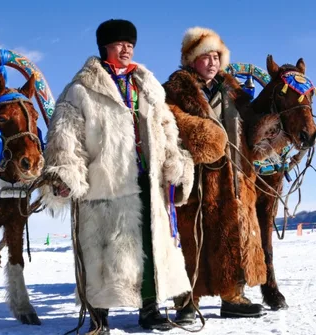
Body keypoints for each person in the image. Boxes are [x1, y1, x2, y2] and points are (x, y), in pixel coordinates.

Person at [41, 19, 194, 334]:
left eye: (130, 44)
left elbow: (166, 127)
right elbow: (65, 135)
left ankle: (150, 310)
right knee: (100, 251)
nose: (126, 49)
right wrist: (66, 170)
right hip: (104, 184)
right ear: (104, 48)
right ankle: (99, 319)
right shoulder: (80, 90)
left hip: (146, 180)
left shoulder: (147, 85)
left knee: (152, 248)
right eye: (119, 44)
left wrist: (174, 160)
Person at [163, 26, 267, 323]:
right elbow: (167, 118)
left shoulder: (233, 90)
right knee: (192, 238)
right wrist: (197, 132)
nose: (212, 62)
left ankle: (232, 295)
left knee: (233, 235)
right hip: (194, 179)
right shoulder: (175, 90)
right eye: (205, 56)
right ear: (190, 59)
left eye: (216, 56)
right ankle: (186, 300)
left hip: (234, 178)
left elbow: (250, 125)